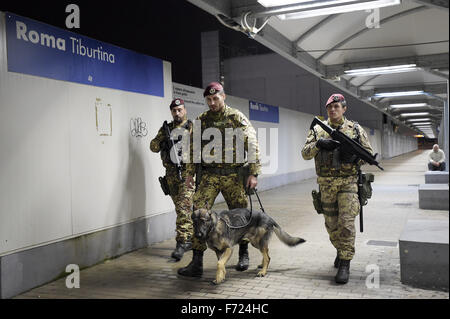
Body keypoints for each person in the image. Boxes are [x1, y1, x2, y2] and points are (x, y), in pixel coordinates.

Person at [177, 82, 262, 278]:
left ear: (224, 97)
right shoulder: (201, 120)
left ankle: (243, 254)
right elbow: (192, 149)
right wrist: (189, 174)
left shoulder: (236, 117)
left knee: (240, 214)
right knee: (198, 212)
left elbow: (252, 142)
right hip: (210, 175)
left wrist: (254, 172)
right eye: (208, 99)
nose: (212, 102)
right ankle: (197, 262)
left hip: (233, 175)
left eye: (216, 98)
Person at [301, 93, 374, 284]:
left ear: (344, 108)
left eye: (337, 106)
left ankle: (345, 263)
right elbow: (305, 154)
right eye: (330, 107)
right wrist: (318, 144)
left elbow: (368, 154)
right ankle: (340, 250)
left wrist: (354, 157)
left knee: (347, 223)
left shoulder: (356, 129)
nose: (333, 110)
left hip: (348, 182)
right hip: (326, 184)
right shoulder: (318, 129)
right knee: (332, 225)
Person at [150, 98, 194, 261]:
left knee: (183, 208)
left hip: (188, 174)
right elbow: (153, 146)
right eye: (174, 110)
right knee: (181, 209)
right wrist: (164, 144)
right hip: (171, 175)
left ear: (185, 110)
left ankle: (182, 243)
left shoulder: (192, 128)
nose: (177, 113)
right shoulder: (166, 129)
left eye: (180, 110)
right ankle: (189, 238)